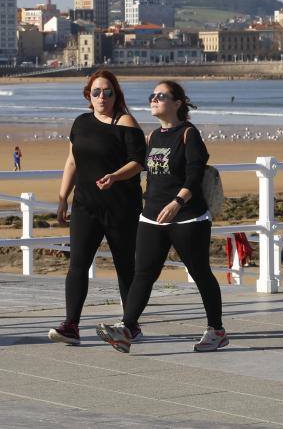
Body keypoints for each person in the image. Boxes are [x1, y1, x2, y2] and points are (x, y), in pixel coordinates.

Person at [95, 80, 227, 354]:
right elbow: (141, 166)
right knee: (143, 273)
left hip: (187, 217)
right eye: (151, 95)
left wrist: (178, 202)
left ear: (177, 103)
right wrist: (114, 176)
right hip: (152, 216)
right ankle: (126, 329)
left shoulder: (189, 134)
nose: (153, 100)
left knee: (200, 272)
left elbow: (194, 173)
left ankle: (216, 330)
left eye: (161, 96)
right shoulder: (154, 136)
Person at [48, 70, 146, 346]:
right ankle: (71, 325)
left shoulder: (126, 122)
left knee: (125, 265)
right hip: (85, 206)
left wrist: (115, 176)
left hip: (121, 207)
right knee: (77, 264)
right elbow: (71, 162)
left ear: (116, 95)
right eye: (96, 92)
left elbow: (138, 162)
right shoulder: (80, 123)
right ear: (88, 95)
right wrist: (62, 197)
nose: (101, 97)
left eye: (107, 92)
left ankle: (130, 325)